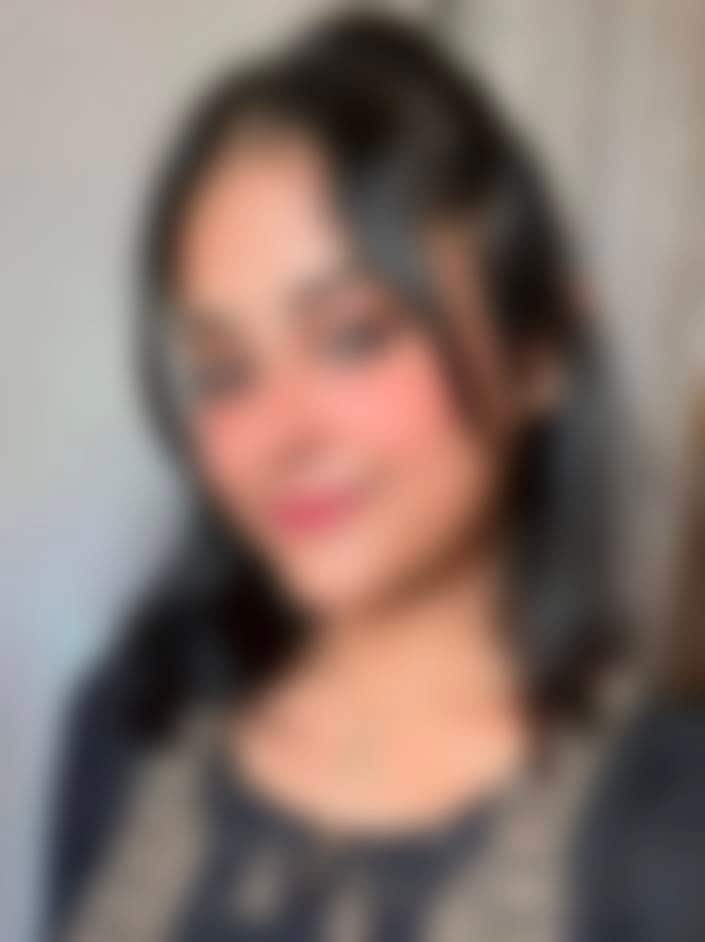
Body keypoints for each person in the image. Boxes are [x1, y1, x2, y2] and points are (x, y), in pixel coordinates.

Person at [46, 13, 705, 941]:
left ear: (538, 349)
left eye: (353, 337)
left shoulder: (671, 834)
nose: (281, 433)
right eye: (224, 371)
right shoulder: (128, 733)